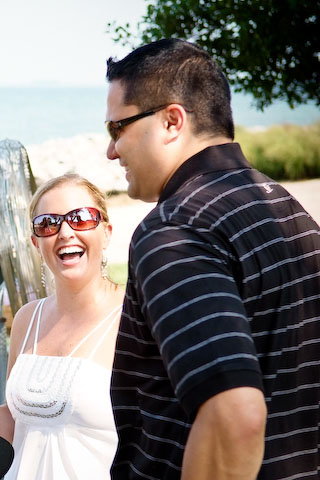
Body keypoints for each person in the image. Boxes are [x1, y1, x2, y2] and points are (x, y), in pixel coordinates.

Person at [105, 38, 320, 479]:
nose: (111, 151)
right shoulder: (286, 210)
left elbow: (234, 414)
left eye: (117, 128)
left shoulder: (174, 230)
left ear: (171, 121)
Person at [0, 173, 125, 479]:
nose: (64, 232)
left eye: (81, 218)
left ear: (106, 232)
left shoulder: (132, 318)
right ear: (36, 242)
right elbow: (16, 419)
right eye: (48, 223)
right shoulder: (26, 318)